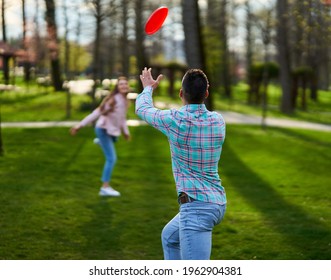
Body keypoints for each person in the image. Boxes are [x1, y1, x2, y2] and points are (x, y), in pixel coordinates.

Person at [135, 67, 226, 260]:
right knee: (169, 237)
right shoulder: (218, 121)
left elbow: (142, 109)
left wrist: (148, 88)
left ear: (181, 93)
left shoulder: (175, 120)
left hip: (196, 210)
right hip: (217, 203)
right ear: (207, 94)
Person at [70, 76, 131, 197]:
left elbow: (122, 118)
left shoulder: (125, 100)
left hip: (111, 131)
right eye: (121, 84)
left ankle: (100, 142)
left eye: (125, 84)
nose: (124, 86)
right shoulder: (112, 100)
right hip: (103, 129)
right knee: (111, 159)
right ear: (117, 88)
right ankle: (105, 188)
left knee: (115, 138)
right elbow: (96, 113)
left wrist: (126, 132)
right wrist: (79, 126)